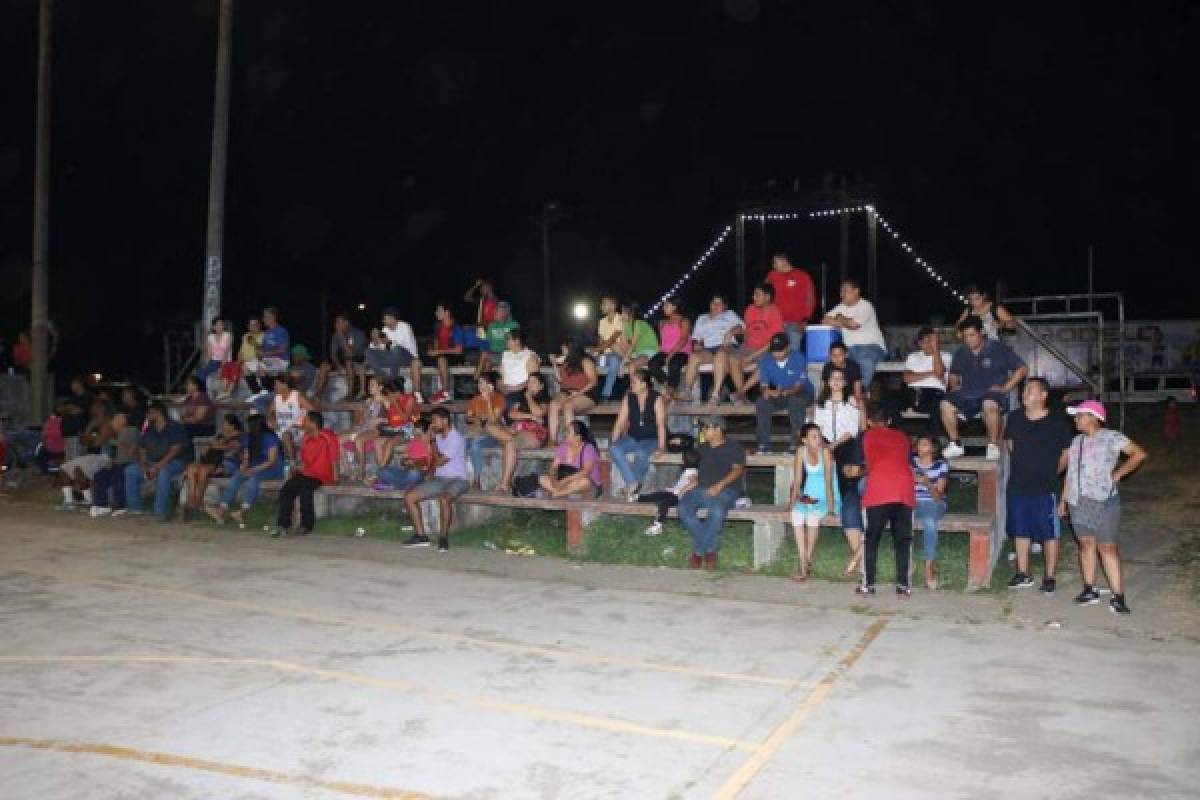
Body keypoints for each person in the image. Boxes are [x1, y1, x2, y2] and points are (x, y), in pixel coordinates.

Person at [1060, 400, 1147, 614]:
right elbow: (1070, 474)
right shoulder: (1076, 441)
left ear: (1093, 417)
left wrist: (1118, 474)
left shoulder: (1111, 437)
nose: (1076, 419)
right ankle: (1090, 589)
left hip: (1104, 500)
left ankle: (1118, 596)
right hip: (1078, 501)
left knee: (1107, 547)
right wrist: (1063, 500)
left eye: (1080, 415)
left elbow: (1139, 454)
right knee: (1086, 544)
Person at [1004, 377, 1074, 593]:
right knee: (1020, 531)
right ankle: (1023, 573)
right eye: (1024, 390)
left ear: (1043, 395)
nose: (1024, 394)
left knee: (1048, 534)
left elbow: (1066, 453)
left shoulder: (1057, 422)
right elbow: (1010, 445)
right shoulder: (1015, 418)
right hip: (1018, 484)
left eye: (1030, 390)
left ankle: (1049, 576)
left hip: (1046, 487)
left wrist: (1052, 472)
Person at [941, 315, 1028, 460]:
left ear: (981, 332)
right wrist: (955, 385)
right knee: (945, 404)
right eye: (965, 336)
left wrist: (1006, 388)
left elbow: (1022, 368)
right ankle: (955, 443)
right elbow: (954, 375)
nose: (968, 340)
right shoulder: (961, 352)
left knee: (988, 403)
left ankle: (992, 445)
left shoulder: (998, 348)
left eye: (972, 335)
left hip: (991, 394)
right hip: (968, 394)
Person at [856, 405, 916, 597]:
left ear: (869, 422)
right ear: (889, 421)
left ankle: (868, 585)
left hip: (879, 490)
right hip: (904, 489)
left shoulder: (867, 436)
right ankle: (904, 586)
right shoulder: (902, 437)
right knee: (903, 540)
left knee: (871, 539)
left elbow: (869, 465)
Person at [678, 416, 745, 569]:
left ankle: (698, 552)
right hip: (701, 488)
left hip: (727, 490)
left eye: (706, 428)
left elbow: (737, 470)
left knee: (716, 511)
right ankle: (710, 548)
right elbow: (696, 471)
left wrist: (720, 485)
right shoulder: (702, 448)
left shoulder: (734, 447)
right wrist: (692, 482)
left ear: (718, 429)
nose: (703, 431)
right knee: (683, 508)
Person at [403, 407, 470, 551]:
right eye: (432, 421)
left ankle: (443, 537)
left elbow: (439, 461)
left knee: (444, 499)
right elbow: (433, 460)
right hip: (439, 479)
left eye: (434, 420)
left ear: (445, 421)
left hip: (458, 479)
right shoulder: (438, 437)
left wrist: (432, 442)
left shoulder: (456, 438)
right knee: (409, 497)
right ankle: (421, 536)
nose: (432, 424)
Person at [121, 402, 194, 521]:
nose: (147, 416)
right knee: (130, 471)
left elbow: (175, 450)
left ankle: (159, 512)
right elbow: (143, 449)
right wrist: (144, 465)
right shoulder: (150, 429)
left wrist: (157, 467)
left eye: (149, 413)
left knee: (164, 473)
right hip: (152, 462)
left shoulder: (175, 427)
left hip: (175, 462)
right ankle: (135, 509)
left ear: (158, 413)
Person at [208, 414, 284, 526]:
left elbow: (271, 461)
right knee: (236, 477)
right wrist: (244, 466)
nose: (248, 427)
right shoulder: (249, 437)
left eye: (250, 425)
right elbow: (247, 456)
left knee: (253, 480)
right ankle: (221, 510)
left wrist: (254, 469)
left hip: (272, 469)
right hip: (255, 466)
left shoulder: (270, 438)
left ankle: (243, 512)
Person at [272, 411, 339, 537]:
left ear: (313, 423)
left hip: (320, 475)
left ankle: (306, 525)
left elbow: (334, 458)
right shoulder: (306, 438)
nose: (303, 422)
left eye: (306, 420)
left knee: (305, 491)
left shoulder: (328, 437)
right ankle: (283, 525)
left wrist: (336, 478)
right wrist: (296, 468)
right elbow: (303, 460)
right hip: (306, 473)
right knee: (286, 490)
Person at [744, 333, 813, 454]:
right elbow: (763, 385)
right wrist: (766, 392)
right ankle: (764, 445)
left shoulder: (798, 358)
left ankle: (795, 445)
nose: (776, 354)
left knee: (795, 401)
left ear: (787, 348)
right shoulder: (766, 359)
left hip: (802, 392)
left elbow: (798, 386)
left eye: (780, 351)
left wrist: (782, 392)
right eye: (774, 351)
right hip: (780, 393)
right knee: (761, 402)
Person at [790, 423, 840, 582]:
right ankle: (803, 559)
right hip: (809, 494)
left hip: (827, 495)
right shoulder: (801, 452)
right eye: (813, 436)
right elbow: (797, 481)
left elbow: (828, 482)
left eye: (819, 435)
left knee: (812, 517)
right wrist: (791, 504)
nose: (818, 439)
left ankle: (805, 564)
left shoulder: (825, 452)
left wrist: (831, 508)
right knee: (796, 515)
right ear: (804, 440)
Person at [609, 368, 668, 501]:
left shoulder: (656, 398)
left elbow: (661, 425)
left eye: (634, 382)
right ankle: (633, 484)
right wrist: (614, 441)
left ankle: (630, 488)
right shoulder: (628, 397)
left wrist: (662, 447)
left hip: (651, 438)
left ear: (644, 384)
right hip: (632, 437)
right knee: (614, 448)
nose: (631, 385)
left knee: (641, 453)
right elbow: (619, 423)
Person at [821, 279, 888, 392]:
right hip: (849, 348)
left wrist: (840, 318)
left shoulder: (866, 306)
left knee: (865, 360)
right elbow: (824, 320)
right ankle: (830, 396)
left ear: (856, 291)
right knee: (829, 361)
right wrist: (843, 321)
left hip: (872, 346)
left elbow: (854, 325)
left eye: (845, 291)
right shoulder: (840, 306)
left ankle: (860, 394)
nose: (841, 294)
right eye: (841, 291)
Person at [490, 372, 550, 494]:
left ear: (541, 386)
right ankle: (510, 442)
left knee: (510, 444)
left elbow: (539, 413)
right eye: (529, 382)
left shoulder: (544, 399)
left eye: (534, 382)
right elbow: (512, 414)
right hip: (517, 428)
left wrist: (529, 398)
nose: (530, 385)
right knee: (490, 426)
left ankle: (505, 484)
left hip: (534, 432)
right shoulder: (520, 398)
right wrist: (530, 416)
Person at [683, 295, 744, 404]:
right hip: (708, 348)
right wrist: (696, 344)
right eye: (713, 303)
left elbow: (741, 328)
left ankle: (715, 395)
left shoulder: (729, 314)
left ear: (724, 306)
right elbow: (696, 337)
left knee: (720, 354)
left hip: (726, 345)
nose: (715, 306)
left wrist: (731, 332)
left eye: (718, 303)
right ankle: (687, 391)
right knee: (694, 356)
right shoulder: (702, 318)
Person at [180, 414, 243, 520]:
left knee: (203, 471)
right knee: (191, 468)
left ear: (233, 426)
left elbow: (230, 450)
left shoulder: (238, 437)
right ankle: (191, 503)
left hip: (219, 464)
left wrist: (215, 445)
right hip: (207, 460)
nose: (223, 426)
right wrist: (210, 446)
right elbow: (204, 453)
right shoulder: (219, 436)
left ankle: (197, 503)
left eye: (226, 423)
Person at [731, 282, 785, 402]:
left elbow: (773, 342)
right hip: (748, 347)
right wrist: (740, 340)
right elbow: (747, 332)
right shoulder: (750, 309)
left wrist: (751, 357)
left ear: (767, 297)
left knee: (765, 364)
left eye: (757, 295)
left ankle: (741, 392)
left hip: (767, 349)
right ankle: (742, 397)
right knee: (732, 360)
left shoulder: (775, 312)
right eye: (754, 295)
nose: (753, 297)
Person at [912, 434, 950, 590]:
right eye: (919, 444)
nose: (919, 447)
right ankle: (908, 562)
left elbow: (938, 496)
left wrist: (927, 483)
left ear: (933, 449)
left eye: (924, 444)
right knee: (900, 519)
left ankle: (929, 566)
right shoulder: (911, 464)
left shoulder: (941, 465)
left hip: (934, 503)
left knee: (929, 522)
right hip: (913, 502)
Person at [637, 448, 701, 536]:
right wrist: (672, 489)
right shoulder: (690, 470)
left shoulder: (692, 472)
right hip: (674, 494)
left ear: (685, 461)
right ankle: (639, 498)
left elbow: (695, 482)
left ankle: (658, 525)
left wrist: (681, 491)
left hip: (678, 497)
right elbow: (683, 484)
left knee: (664, 501)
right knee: (660, 495)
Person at [547, 339, 600, 444]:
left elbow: (594, 381)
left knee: (568, 405)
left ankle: (571, 439)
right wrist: (554, 364)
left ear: (571, 349)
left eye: (564, 348)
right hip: (567, 392)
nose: (562, 350)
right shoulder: (566, 361)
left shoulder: (586, 361)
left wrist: (578, 393)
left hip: (585, 393)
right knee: (553, 404)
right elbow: (560, 380)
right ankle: (552, 440)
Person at [903, 327, 952, 432]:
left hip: (935, 392)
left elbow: (939, 373)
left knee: (938, 405)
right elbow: (907, 378)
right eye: (926, 342)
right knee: (891, 401)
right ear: (920, 344)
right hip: (913, 392)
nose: (929, 344)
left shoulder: (946, 356)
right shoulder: (913, 356)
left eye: (932, 341)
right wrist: (930, 373)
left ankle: (933, 438)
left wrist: (935, 351)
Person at [538, 420, 604, 499]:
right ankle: (560, 491)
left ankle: (558, 492)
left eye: (568, 432)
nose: (565, 434)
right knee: (542, 479)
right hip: (565, 481)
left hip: (585, 481)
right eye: (565, 431)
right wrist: (553, 479)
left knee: (584, 482)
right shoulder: (563, 446)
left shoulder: (588, 448)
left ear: (578, 437)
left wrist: (565, 480)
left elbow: (586, 471)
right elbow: (554, 467)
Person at [88, 412, 138, 517]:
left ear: (123, 421)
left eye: (116, 418)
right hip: (119, 463)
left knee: (117, 474)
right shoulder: (119, 433)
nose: (113, 421)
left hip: (129, 463)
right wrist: (113, 460)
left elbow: (132, 452)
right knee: (99, 475)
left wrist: (117, 443)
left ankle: (121, 506)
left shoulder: (131, 431)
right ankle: (102, 505)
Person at [765, 252, 817, 352]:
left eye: (775, 263)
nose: (773, 266)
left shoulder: (802, 276)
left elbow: (810, 299)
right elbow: (764, 292)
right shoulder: (772, 275)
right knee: (774, 351)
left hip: (795, 324)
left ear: (783, 261)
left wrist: (805, 320)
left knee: (793, 352)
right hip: (776, 322)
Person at [366, 307, 423, 398]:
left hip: (408, 358)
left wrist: (389, 342)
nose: (383, 321)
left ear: (392, 318)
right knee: (368, 351)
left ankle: (392, 378)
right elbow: (380, 348)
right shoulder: (385, 329)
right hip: (393, 358)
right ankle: (381, 374)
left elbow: (405, 347)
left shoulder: (405, 326)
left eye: (385, 318)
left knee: (396, 349)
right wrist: (375, 341)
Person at [465, 371, 506, 489]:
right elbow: (468, 418)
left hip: (494, 434)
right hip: (477, 431)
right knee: (460, 443)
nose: (480, 386)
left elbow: (493, 420)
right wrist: (479, 420)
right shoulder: (475, 399)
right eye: (479, 383)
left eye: (482, 383)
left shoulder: (499, 398)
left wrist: (488, 400)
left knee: (475, 445)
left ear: (490, 385)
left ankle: (477, 479)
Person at [647, 297, 692, 398]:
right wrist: (659, 353)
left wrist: (670, 355)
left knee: (674, 364)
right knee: (652, 364)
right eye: (664, 305)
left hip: (682, 351)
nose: (664, 308)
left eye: (667, 305)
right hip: (665, 351)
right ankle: (668, 386)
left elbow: (683, 340)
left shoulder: (684, 321)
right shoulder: (662, 322)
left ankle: (671, 389)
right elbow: (662, 342)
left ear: (675, 307)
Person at [267, 375, 314, 466]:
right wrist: (272, 420)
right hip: (280, 429)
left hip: (297, 430)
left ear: (285, 385)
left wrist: (304, 424)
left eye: (276, 384)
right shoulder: (277, 398)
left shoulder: (297, 396)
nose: (274, 387)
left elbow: (313, 412)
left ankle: (292, 463)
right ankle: (286, 462)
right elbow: (269, 413)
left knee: (285, 435)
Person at [372, 380, 419, 472]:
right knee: (377, 442)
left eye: (390, 394)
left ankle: (380, 471)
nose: (388, 396)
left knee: (389, 443)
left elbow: (405, 418)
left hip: (406, 431)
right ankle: (383, 471)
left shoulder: (409, 398)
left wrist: (395, 403)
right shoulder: (390, 399)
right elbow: (378, 399)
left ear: (397, 392)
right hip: (393, 431)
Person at [376, 417, 433, 491]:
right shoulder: (412, 442)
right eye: (415, 433)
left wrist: (413, 462)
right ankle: (401, 485)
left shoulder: (428, 445)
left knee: (414, 474)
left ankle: (396, 485)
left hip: (417, 473)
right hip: (405, 473)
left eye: (419, 434)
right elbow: (403, 457)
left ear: (425, 433)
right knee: (381, 471)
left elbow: (425, 462)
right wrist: (403, 460)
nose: (416, 437)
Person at [813, 367, 861, 451]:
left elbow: (852, 429)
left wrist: (834, 445)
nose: (836, 381)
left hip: (845, 441)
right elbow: (818, 426)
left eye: (839, 378)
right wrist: (822, 443)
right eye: (833, 378)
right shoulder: (822, 402)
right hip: (824, 441)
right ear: (828, 382)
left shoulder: (851, 401)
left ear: (844, 382)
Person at [428, 303, 467, 404]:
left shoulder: (456, 327)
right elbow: (435, 343)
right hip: (441, 355)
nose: (436, 313)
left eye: (439, 311)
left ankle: (445, 393)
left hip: (455, 356)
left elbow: (458, 350)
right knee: (422, 359)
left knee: (441, 359)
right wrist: (432, 350)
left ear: (447, 313)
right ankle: (422, 394)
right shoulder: (437, 326)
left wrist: (438, 352)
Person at [592, 295, 625, 402]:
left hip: (617, 353)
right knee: (593, 364)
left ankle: (606, 394)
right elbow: (600, 340)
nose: (601, 306)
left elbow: (613, 339)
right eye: (601, 304)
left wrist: (597, 349)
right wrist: (598, 352)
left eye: (604, 304)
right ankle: (592, 394)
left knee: (614, 361)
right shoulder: (602, 321)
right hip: (604, 356)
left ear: (613, 306)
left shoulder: (620, 318)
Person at [476, 301, 519, 381]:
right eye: (498, 310)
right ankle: (485, 385)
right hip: (493, 354)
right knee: (487, 362)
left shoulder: (513, 325)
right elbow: (487, 342)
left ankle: (476, 380)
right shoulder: (492, 325)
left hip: (507, 354)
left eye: (501, 311)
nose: (497, 313)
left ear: (507, 313)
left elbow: (515, 344)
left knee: (485, 357)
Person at [615, 300, 660, 378]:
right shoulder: (627, 325)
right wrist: (622, 326)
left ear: (631, 313)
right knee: (615, 345)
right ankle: (631, 361)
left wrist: (622, 364)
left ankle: (633, 387)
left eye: (623, 312)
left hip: (648, 352)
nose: (621, 314)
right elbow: (623, 344)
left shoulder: (638, 323)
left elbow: (633, 345)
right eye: (621, 312)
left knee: (632, 366)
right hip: (637, 352)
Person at [329, 313, 368, 400]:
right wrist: (339, 366)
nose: (336, 325)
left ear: (346, 323)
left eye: (338, 322)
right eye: (335, 322)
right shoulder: (336, 335)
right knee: (327, 365)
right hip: (347, 360)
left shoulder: (358, 333)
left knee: (348, 360)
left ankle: (350, 394)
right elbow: (333, 354)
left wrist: (342, 338)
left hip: (362, 359)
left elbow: (352, 353)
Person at [820, 342, 866, 415]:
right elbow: (823, 389)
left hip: (851, 394)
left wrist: (854, 400)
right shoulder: (827, 367)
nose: (836, 357)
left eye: (840, 354)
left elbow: (857, 391)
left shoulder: (853, 367)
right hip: (834, 395)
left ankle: (862, 426)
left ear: (846, 355)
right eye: (833, 355)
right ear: (830, 356)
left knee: (860, 403)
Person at [498, 329, 540, 405]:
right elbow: (502, 376)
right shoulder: (505, 354)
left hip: (521, 390)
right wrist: (502, 386)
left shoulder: (529, 355)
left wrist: (514, 388)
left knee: (508, 402)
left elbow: (533, 380)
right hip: (505, 390)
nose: (506, 341)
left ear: (517, 341)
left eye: (508, 339)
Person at [195, 319, 233, 387]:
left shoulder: (227, 336)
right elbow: (209, 354)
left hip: (225, 362)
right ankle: (203, 393)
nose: (220, 327)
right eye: (218, 325)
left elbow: (226, 353)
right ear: (214, 327)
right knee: (200, 373)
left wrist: (222, 367)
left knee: (218, 372)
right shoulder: (210, 337)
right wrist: (206, 364)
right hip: (213, 362)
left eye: (221, 325)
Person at [257, 306, 291, 380]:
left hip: (281, 360)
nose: (263, 319)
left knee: (262, 367)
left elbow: (282, 350)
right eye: (264, 317)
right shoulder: (266, 333)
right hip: (268, 360)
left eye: (266, 317)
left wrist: (265, 354)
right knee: (246, 367)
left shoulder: (281, 331)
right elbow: (263, 348)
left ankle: (267, 390)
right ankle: (259, 391)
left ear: (273, 317)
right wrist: (259, 351)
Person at [239, 318, 266, 394]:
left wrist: (255, 343)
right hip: (247, 362)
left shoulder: (264, 335)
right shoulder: (245, 335)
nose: (253, 327)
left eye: (255, 325)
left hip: (260, 360)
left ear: (259, 325)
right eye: (251, 325)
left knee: (260, 367)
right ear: (248, 326)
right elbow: (241, 350)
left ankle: (264, 390)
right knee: (244, 367)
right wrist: (239, 360)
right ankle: (256, 392)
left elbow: (263, 350)